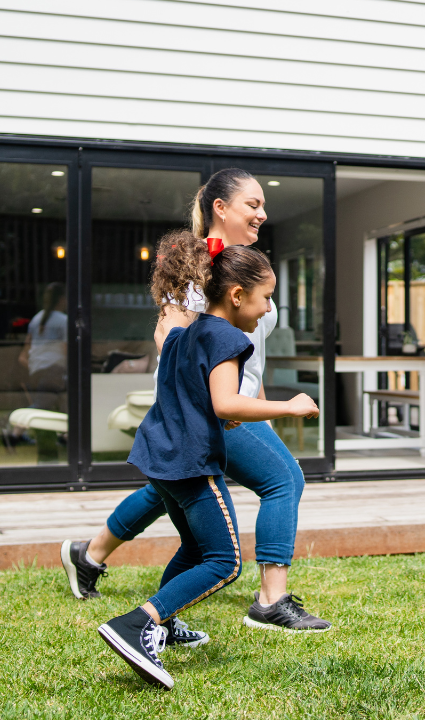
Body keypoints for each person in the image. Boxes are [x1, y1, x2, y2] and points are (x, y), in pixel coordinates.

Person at [63, 168, 331, 638]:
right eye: (253, 204)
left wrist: (262, 406)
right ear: (220, 208)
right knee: (282, 479)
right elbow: (169, 337)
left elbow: (253, 356)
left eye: (263, 205)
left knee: (170, 491)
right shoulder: (196, 268)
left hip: (234, 402)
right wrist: (207, 406)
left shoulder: (244, 267)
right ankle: (271, 600)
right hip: (209, 407)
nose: (262, 213)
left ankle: (89, 555)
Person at [98, 244, 319, 690]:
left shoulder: (188, 332)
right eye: (265, 297)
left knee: (196, 549)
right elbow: (224, 402)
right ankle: (137, 624)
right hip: (190, 463)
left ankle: (163, 624)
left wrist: (225, 410)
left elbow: (191, 391)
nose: (269, 308)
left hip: (157, 455)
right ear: (237, 295)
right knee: (224, 561)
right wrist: (291, 406)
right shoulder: (230, 339)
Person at [19, 281, 67, 409]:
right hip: (54, 372)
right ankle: (12, 424)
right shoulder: (63, 321)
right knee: (42, 406)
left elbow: (23, 356)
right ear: (62, 299)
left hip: (36, 373)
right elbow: (66, 351)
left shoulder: (35, 320)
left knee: (49, 404)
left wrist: (36, 367)